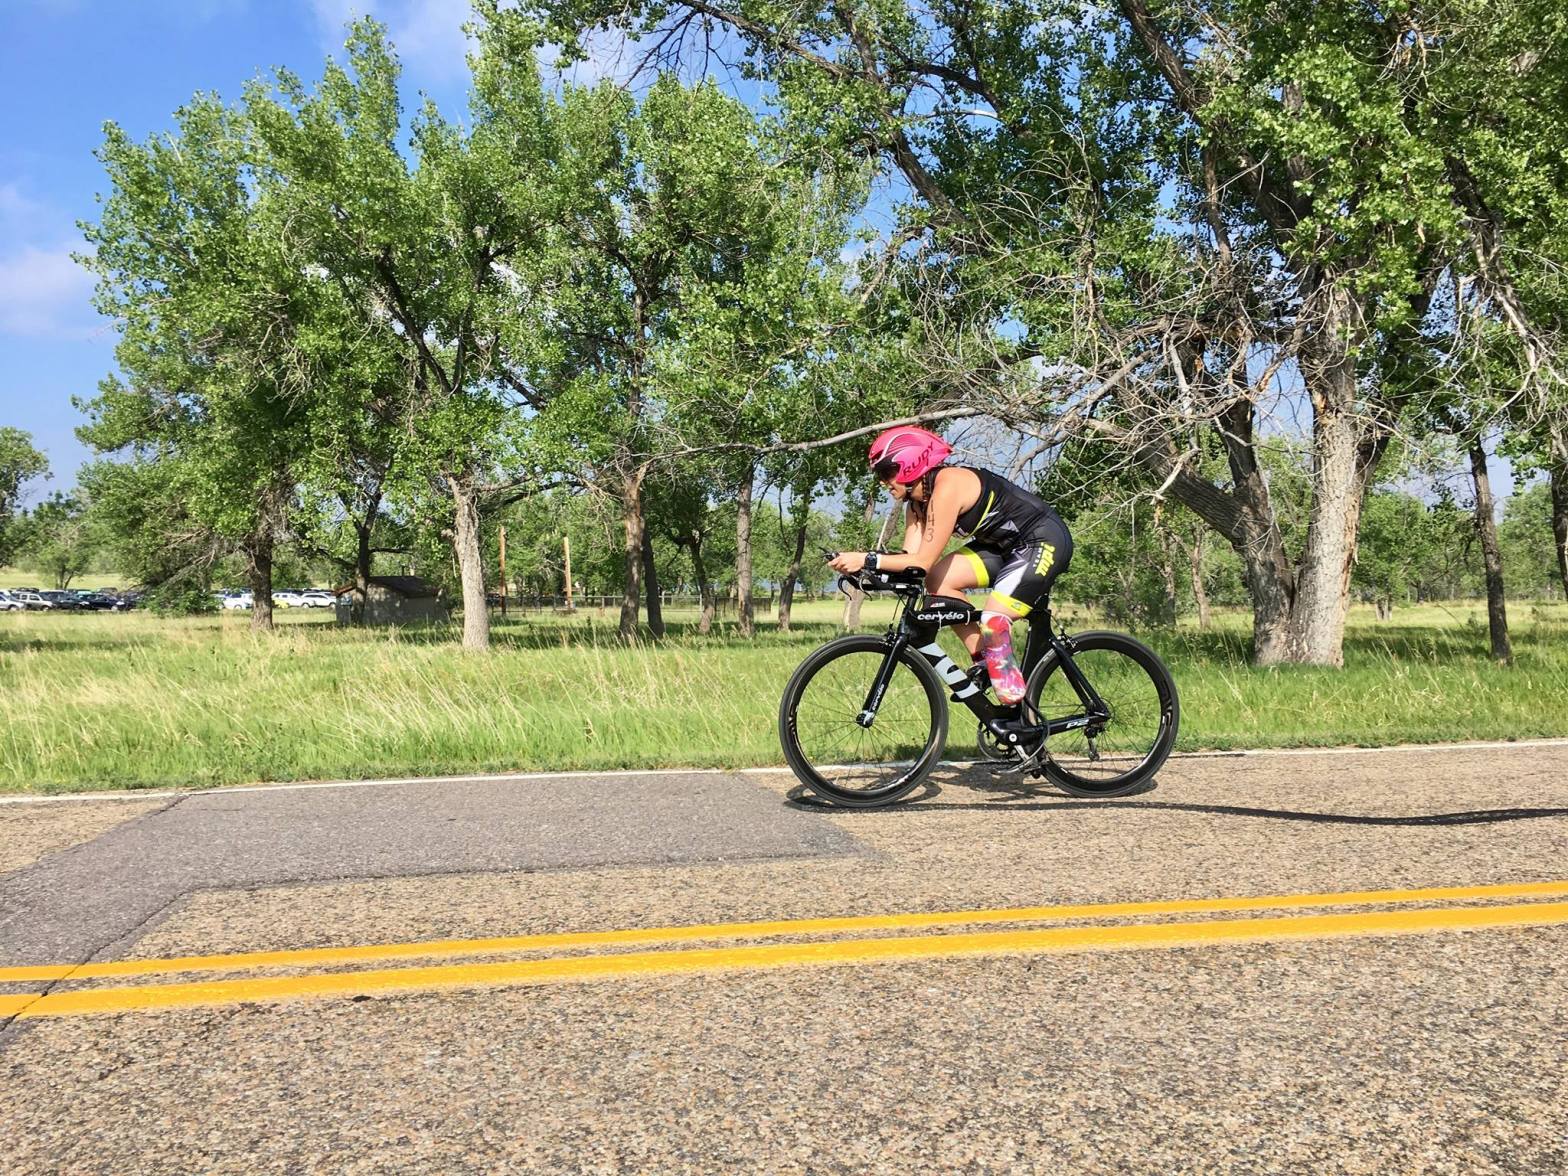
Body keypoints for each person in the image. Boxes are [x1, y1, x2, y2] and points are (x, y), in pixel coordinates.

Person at [828, 426, 1073, 704]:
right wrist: (868, 570)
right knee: (938, 581)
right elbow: (913, 563)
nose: (884, 482)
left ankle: (1012, 697)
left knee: (993, 618)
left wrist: (867, 557)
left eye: (886, 472)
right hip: (1003, 548)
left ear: (910, 464)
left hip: (1042, 540)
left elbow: (922, 559)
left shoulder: (947, 487)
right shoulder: (917, 504)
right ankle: (984, 660)